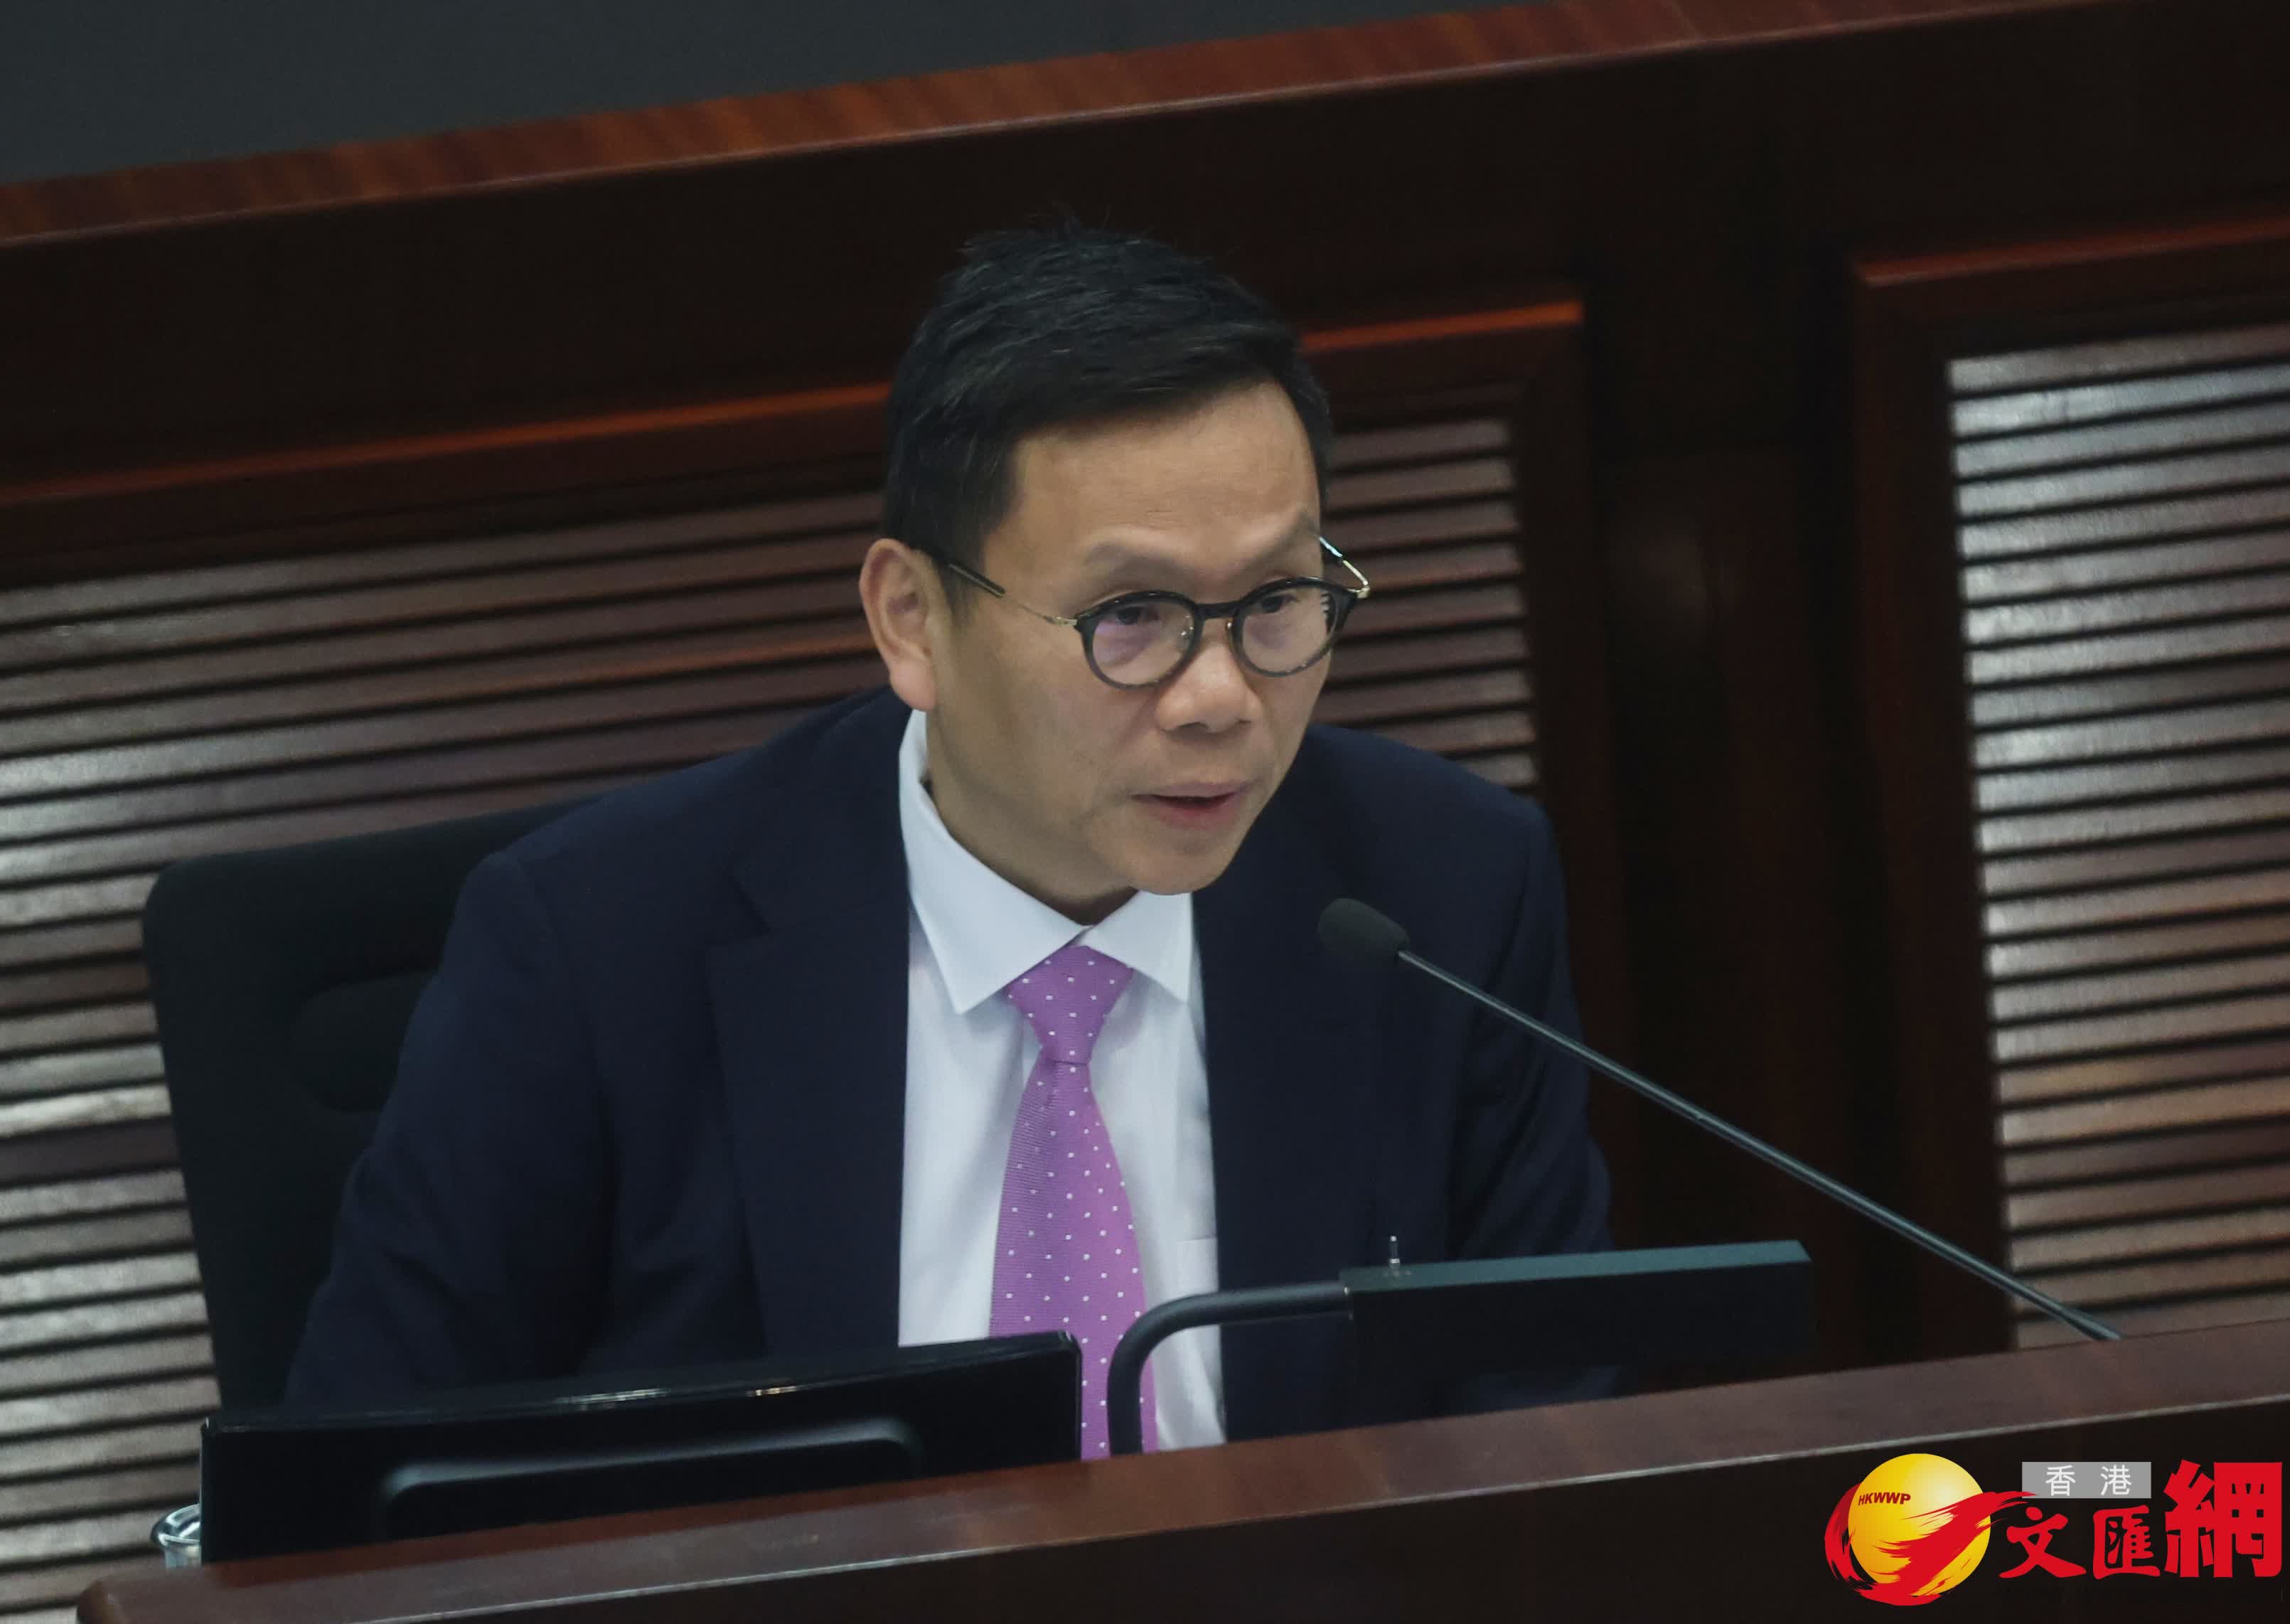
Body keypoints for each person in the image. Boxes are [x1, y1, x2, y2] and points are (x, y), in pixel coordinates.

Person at [285, 225, 1610, 1454]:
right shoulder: (595, 948)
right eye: (1130, 617)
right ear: (912, 619)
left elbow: (1543, 1445)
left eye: (1276, 601)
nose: (1220, 698)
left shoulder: (1442, 896)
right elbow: (366, 1494)